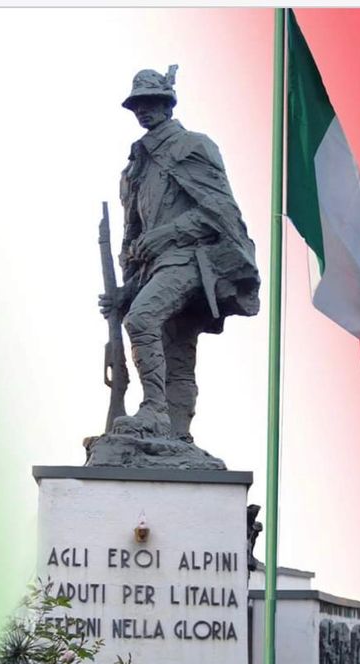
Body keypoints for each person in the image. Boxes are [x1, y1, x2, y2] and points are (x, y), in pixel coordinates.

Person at [100, 66, 261, 441]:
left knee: (142, 320)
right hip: (154, 270)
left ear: (168, 104)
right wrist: (126, 290)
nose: (143, 110)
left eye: (151, 101)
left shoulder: (192, 146)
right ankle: (175, 438)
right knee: (176, 352)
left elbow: (219, 211)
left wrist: (167, 234)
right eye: (137, 104)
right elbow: (136, 237)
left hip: (191, 260)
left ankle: (154, 411)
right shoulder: (135, 166)